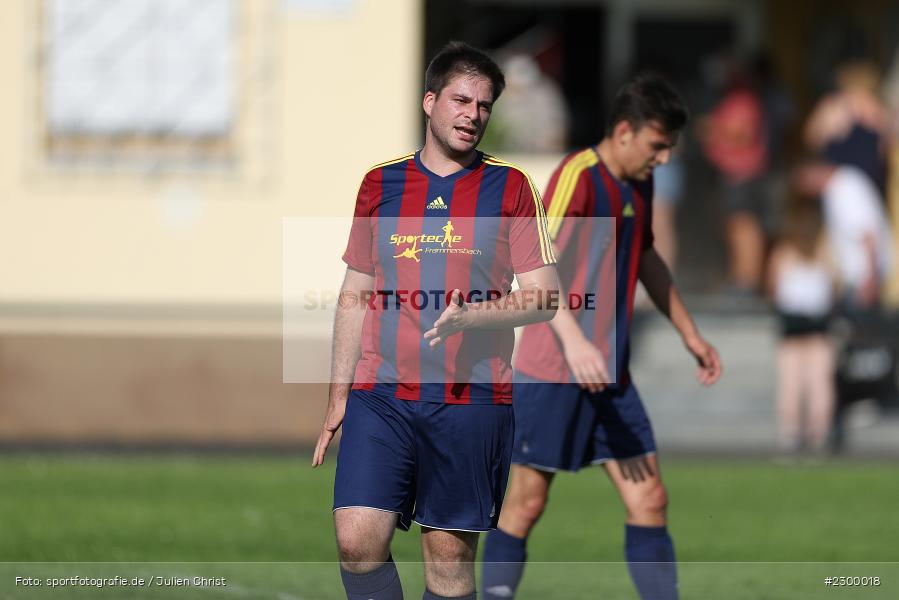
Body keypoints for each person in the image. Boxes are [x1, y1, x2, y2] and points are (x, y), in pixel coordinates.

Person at [312, 42, 559, 600]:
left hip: (470, 400)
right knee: (356, 542)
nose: (473, 115)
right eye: (461, 100)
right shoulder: (380, 184)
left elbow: (544, 298)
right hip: (383, 394)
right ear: (430, 101)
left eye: (485, 105)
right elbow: (357, 287)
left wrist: (474, 315)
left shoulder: (512, 187)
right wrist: (339, 393)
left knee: (447, 568)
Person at [481, 74, 722, 600]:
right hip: (552, 374)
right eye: (657, 146)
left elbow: (648, 256)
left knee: (650, 500)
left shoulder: (642, 181)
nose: (663, 159)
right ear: (624, 132)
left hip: (610, 376)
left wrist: (690, 334)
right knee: (525, 505)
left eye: (669, 149)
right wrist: (574, 340)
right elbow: (537, 265)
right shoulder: (579, 176)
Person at [766, 199, 837, 456]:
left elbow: (772, 287)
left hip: (793, 328)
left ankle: (791, 432)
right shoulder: (825, 252)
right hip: (817, 328)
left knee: (792, 383)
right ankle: (817, 434)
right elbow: (835, 286)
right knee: (818, 383)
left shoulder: (783, 253)